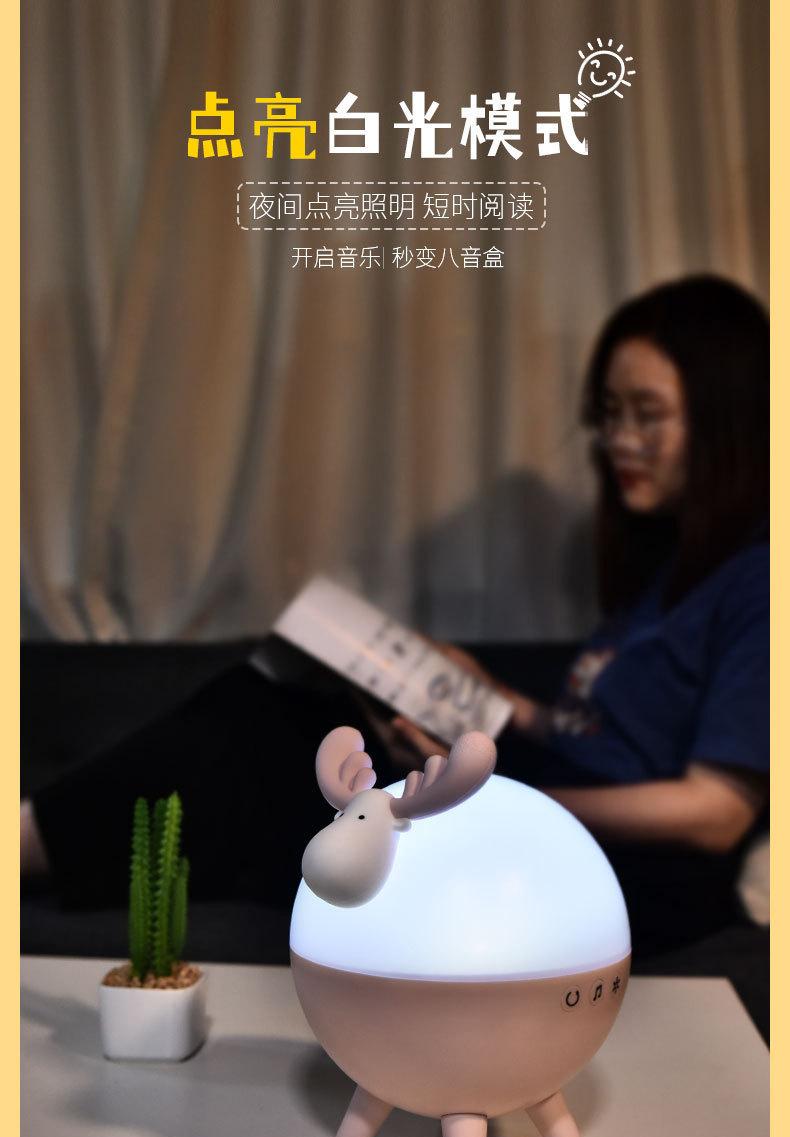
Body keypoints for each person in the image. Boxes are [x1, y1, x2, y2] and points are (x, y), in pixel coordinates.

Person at [22, 275, 768, 971]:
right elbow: (603, 734)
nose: (620, 440)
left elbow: (716, 813)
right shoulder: (667, 577)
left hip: (621, 866)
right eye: (609, 414)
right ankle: (38, 839)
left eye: (647, 414)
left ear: (726, 418)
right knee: (280, 710)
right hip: (557, 807)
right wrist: (496, 697)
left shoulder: (759, 581)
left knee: (264, 746)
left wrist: (493, 798)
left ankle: (30, 842)